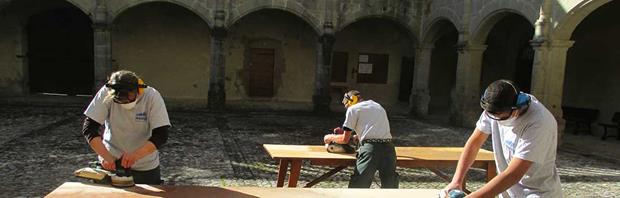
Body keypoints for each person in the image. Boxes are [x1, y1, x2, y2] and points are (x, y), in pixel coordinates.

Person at [442, 79, 562, 197]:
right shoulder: (494, 107)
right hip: (508, 191)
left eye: (500, 117)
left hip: (538, 193)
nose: (495, 120)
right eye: (491, 115)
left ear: (516, 109)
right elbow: (474, 143)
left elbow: (514, 174)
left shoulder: (539, 123)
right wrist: (456, 181)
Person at [81, 70, 171, 184]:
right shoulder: (106, 92)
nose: (125, 102)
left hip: (144, 166)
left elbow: (161, 135)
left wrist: (136, 155)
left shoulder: (151, 96)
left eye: (129, 98)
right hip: (110, 163)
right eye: (118, 100)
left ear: (139, 90)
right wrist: (105, 156)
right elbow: (89, 128)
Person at [323, 90, 399, 188]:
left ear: (352, 100)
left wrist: (329, 137)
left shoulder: (353, 109)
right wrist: (358, 136)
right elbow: (374, 128)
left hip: (370, 150)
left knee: (358, 186)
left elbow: (344, 139)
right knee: (390, 187)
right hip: (389, 149)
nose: (347, 108)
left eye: (347, 106)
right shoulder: (377, 106)